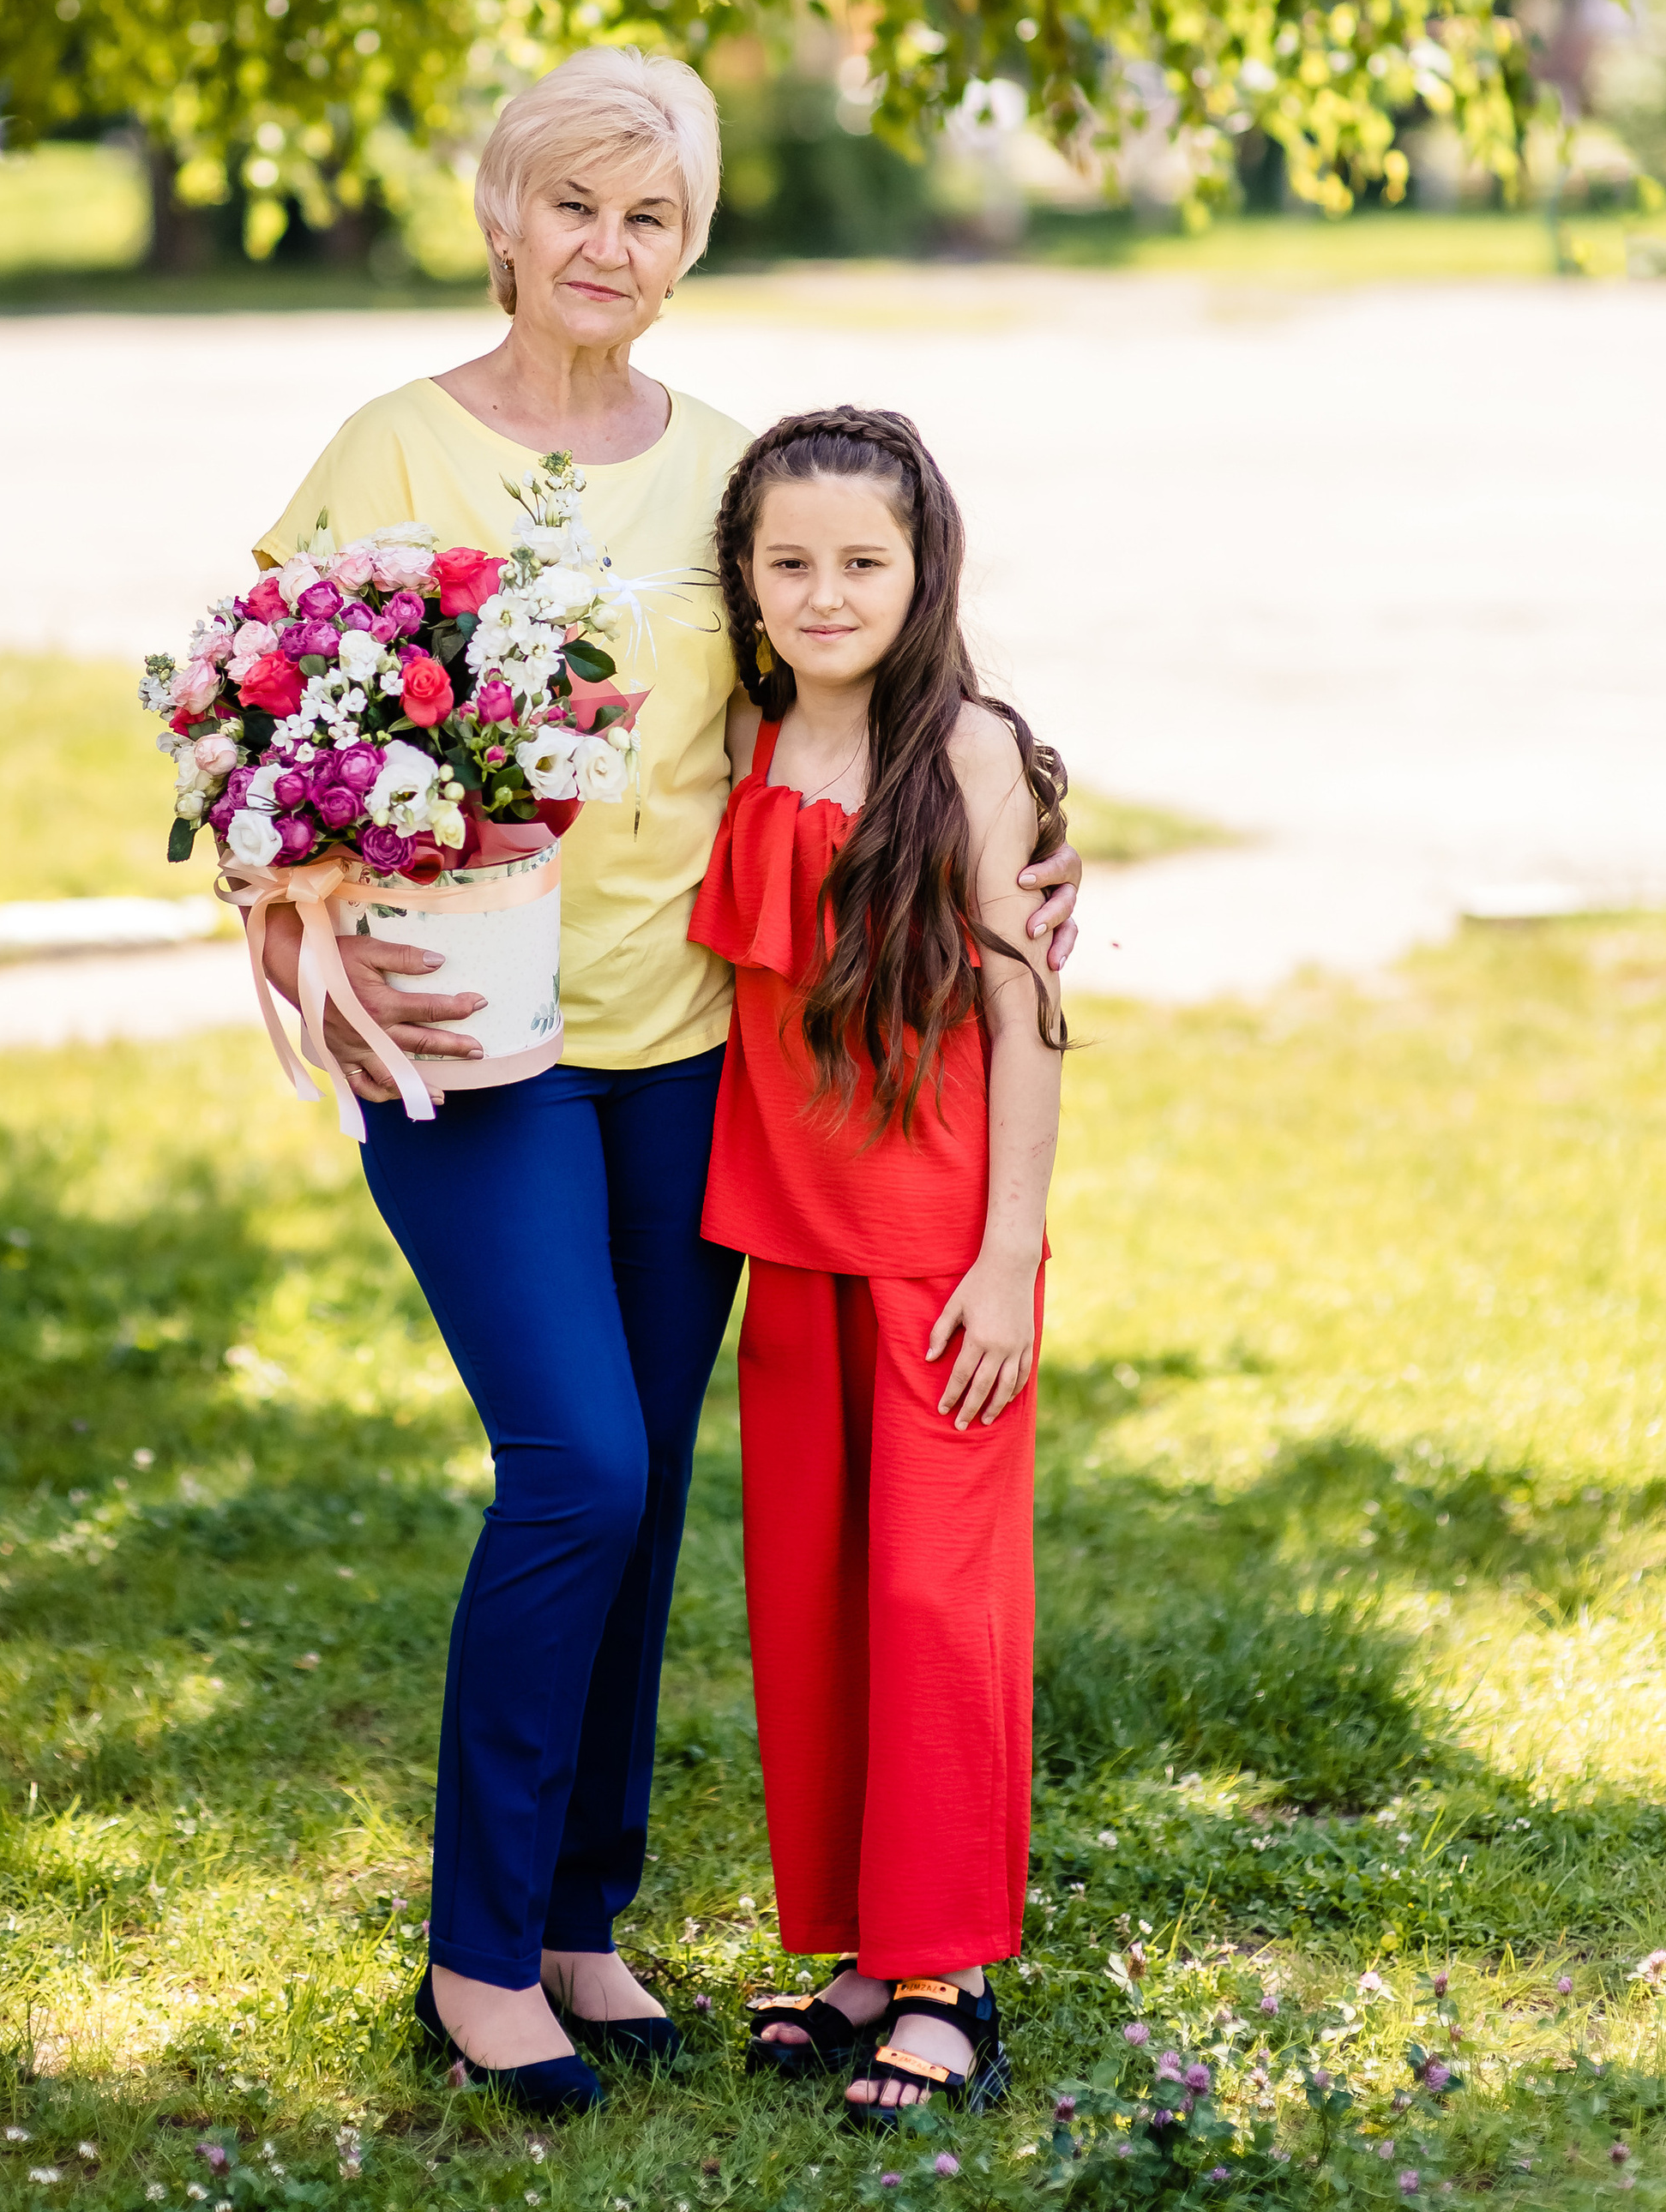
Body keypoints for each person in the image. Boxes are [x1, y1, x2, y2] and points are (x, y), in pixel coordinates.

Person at [253, 54, 1084, 2116]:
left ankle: (577, 1917)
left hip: (684, 1065)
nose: (605, 250)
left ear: (687, 246)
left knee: (635, 1489)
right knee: (581, 1471)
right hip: (473, 1054)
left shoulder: (722, 474)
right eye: (572, 207)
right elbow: (254, 724)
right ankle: (474, 1953)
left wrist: (1028, 817)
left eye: (650, 218)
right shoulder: (388, 447)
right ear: (501, 217)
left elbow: (856, 679)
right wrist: (292, 915)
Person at [689, 406, 1064, 2129]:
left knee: (934, 1608)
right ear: (745, 580)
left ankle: (951, 1977)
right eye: (789, 562)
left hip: (937, 1260)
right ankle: (858, 1948)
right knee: (818, 1600)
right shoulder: (747, 737)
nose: (824, 590)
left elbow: (1025, 1018)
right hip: (793, 1250)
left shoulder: (967, 752)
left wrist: (1005, 1260)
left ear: (923, 572)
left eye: (861, 560)